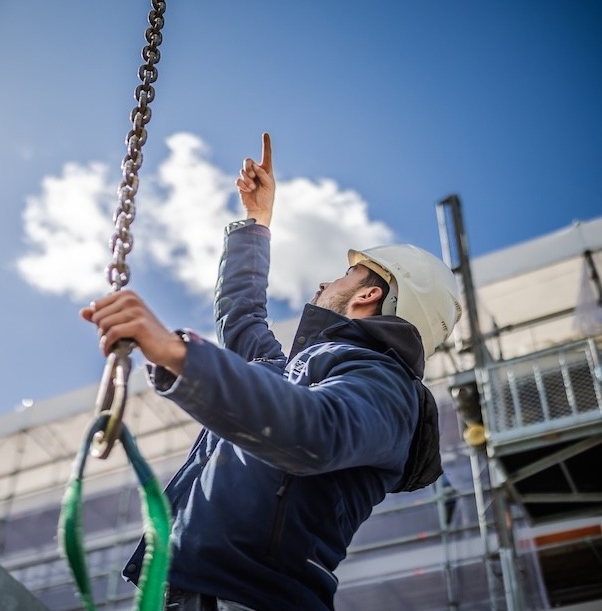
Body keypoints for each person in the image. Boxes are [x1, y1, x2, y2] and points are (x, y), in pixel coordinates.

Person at [81, 133, 462, 611]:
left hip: (247, 599)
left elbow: (315, 430)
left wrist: (176, 352)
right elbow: (242, 319)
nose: (327, 281)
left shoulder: (388, 389)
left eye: (347, 275)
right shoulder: (293, 375)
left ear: (370, 295)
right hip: (190, 589)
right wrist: (255, 223)